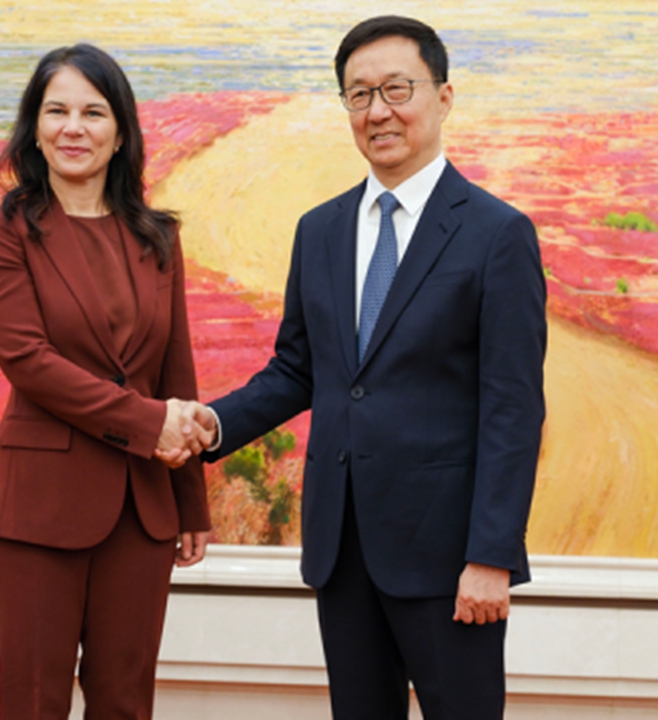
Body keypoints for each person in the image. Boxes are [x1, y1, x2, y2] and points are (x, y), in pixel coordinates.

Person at [184, 15, 547, 719]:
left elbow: (514, 408)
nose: (377, 111)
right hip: (343, 550)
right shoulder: (320, 230)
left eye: (396, 89)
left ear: (443, 97)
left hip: (451, 560)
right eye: (358, 94)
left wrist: (492, 556)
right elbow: (297, 370)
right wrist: (213, 424)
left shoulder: (497, 234)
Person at [0, 43, 213, 719]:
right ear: (34, 127)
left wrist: (190, 503)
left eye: (93, 112)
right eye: (57, 111)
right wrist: (145, 422)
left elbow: (176, 372)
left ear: (120, 131)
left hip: (142, 514)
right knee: (34, 703)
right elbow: (27, 360)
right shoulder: (4, 230)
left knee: (126, 703)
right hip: (37, 512)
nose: (73, 127)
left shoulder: (158, 236)